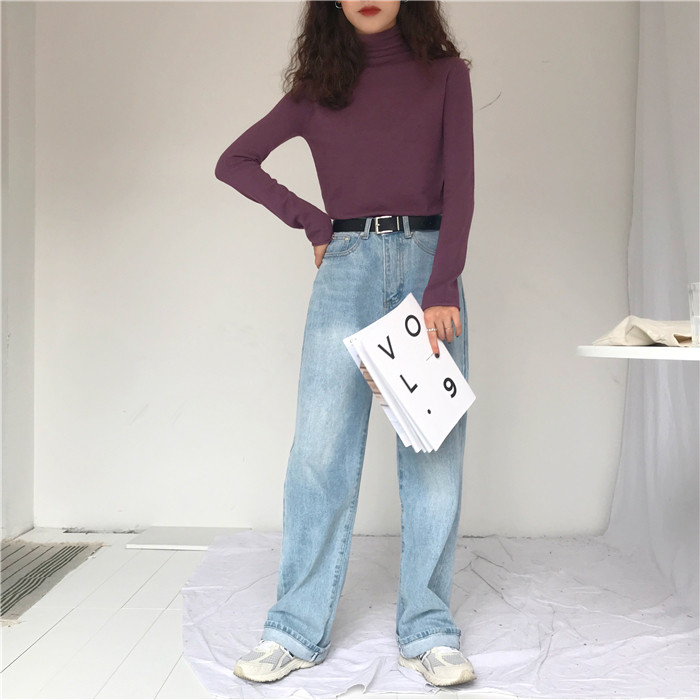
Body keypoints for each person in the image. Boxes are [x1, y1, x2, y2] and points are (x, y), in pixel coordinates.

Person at [214, 0, 475, 688]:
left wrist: (443, 284)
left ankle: (429, 628)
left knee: (432, 450)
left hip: (426, 270)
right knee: (319, 452)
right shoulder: (317, 89)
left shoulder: (445, 75)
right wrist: (313, 221)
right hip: (349, 268)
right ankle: (294, 629)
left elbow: (461, 184)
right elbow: (234, 161)